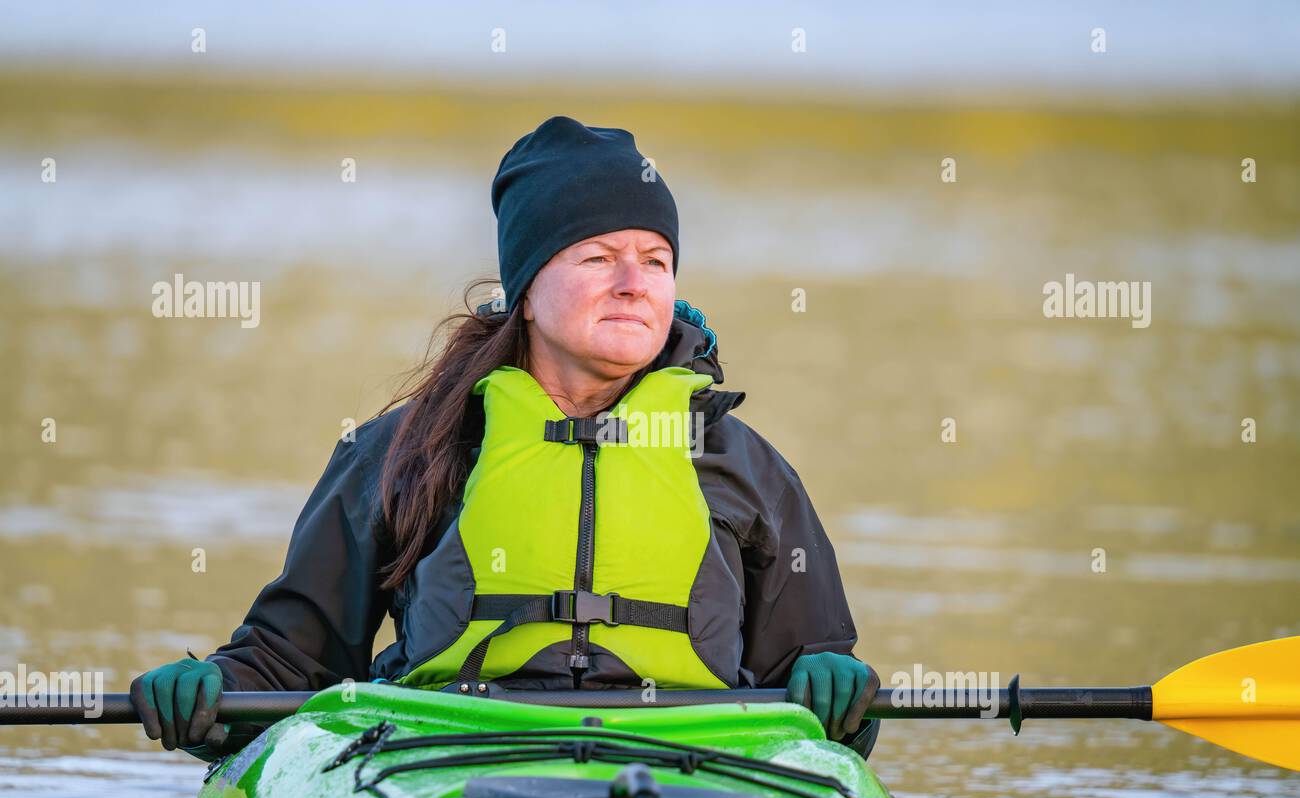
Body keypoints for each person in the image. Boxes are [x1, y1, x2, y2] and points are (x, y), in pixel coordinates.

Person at [131, 116, 880, 763]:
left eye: (656, 260)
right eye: (596, 256)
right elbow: (291, 662)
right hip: (444, 758)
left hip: (695, 766)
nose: (634, 282)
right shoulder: (404, 452)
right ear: (524, 293)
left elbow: (811, 688)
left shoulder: (744, 466)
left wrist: (837, 682)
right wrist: (208, 695)